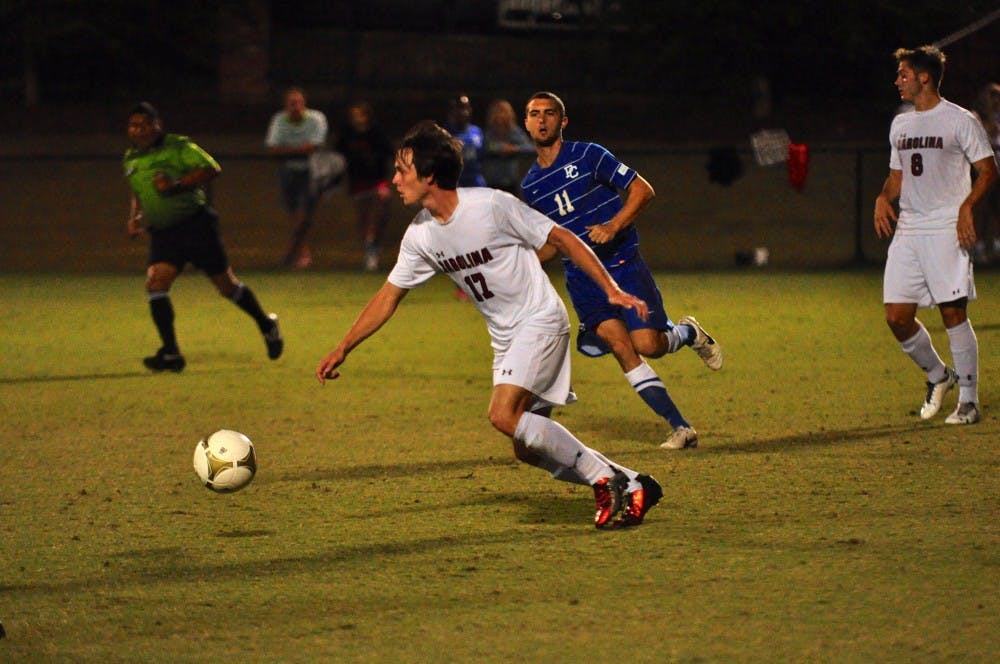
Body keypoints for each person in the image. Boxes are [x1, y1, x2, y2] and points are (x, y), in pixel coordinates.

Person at [315, 121, 662, 529]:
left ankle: (603, 479)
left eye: (402, 170)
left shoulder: (491, 205)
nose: (394, 180)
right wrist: (344, 346)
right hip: (506, 338)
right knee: (527, 447)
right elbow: (388, 296)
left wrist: (611, 291)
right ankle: (634, 482)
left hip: (540, 320)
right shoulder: (420, 236)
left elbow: (564, 239)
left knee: (502, 415)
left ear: (429, 176)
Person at [520, 91, 722, 451]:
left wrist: (612, 226)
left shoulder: (589, 154)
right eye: (534, 114)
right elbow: (554, 241)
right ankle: (681, 428)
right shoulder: (531, 186)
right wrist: (525, 263)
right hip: (582, 279)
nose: (541, 120)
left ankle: (688, 334)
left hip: (621, 263)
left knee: (649, 344)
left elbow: (642, 190)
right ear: (526, 123)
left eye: (549, 113)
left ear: (562, 121)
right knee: (621, 346)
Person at [873, 46, 997, 425]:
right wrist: (882, 197)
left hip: (946, 227)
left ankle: (969, 402)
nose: (898, 81)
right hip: (909, 229)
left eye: (903, 74)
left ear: (924, 77)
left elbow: (988, 170)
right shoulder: (902, 124)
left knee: (953, 312)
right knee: (896, 316)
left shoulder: (960, 120)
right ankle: (939, 375)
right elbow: (897, 177)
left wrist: (966, 207)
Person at [124, 102, 283, 372]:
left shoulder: (177, 147)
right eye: (133, 125)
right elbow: (138, 190)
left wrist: (177, 184)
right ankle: (172, 353)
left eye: (144, 124)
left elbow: (212, 168)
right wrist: (136, 216)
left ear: (156, 125)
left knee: (227, 287)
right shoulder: (131, 158)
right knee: (156, 284)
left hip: (195, 226)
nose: (139, 130)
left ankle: (266, 324)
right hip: (164, 233)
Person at [265, 87, 329, 269]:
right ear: (286, 105)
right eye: (291, 103)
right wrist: (298, 150)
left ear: (304, 104)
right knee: (294, 214)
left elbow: (314, 147)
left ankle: (299, 253)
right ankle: (300, 251)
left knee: (303, 213)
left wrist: (288, 151)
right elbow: (273, 148)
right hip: (288, 171)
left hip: (312, 171)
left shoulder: (316, 119)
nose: (295, 107)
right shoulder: (279, 120)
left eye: (298, 102)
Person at [335, 100, 396, 271]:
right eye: (354, 116)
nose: (357, 119)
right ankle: (370, 249)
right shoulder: (347, 136)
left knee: (380, 206)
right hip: (357, 182)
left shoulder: (377, 134)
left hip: (377, 180)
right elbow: (337, 156)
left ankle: (373, 246)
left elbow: (390, 153)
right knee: (363, 219)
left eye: (360, 115)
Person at [971, 82, 1000, 264]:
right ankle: (978, 246)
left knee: (997, 207)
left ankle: (997, 245)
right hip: (983, 170)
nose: (996, 100)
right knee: (981, 208)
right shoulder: (975, 116)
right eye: (992, 95)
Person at [482, 98, 534, 194]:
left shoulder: (515, 132)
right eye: (498, 111)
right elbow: (486, 147)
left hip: (511, 182)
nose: (501, 115)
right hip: (493, 182)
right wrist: (501, 148)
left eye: (504, 111)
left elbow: (530, 148)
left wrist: (515, 149)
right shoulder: (489, 133)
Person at [445, 94, 486, 187]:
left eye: (466, 108)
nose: (464, 112)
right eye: (459, 108)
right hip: (456, 182)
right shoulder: (445, 134)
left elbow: (482, 156)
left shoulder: (477, 131)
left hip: (475, 181)